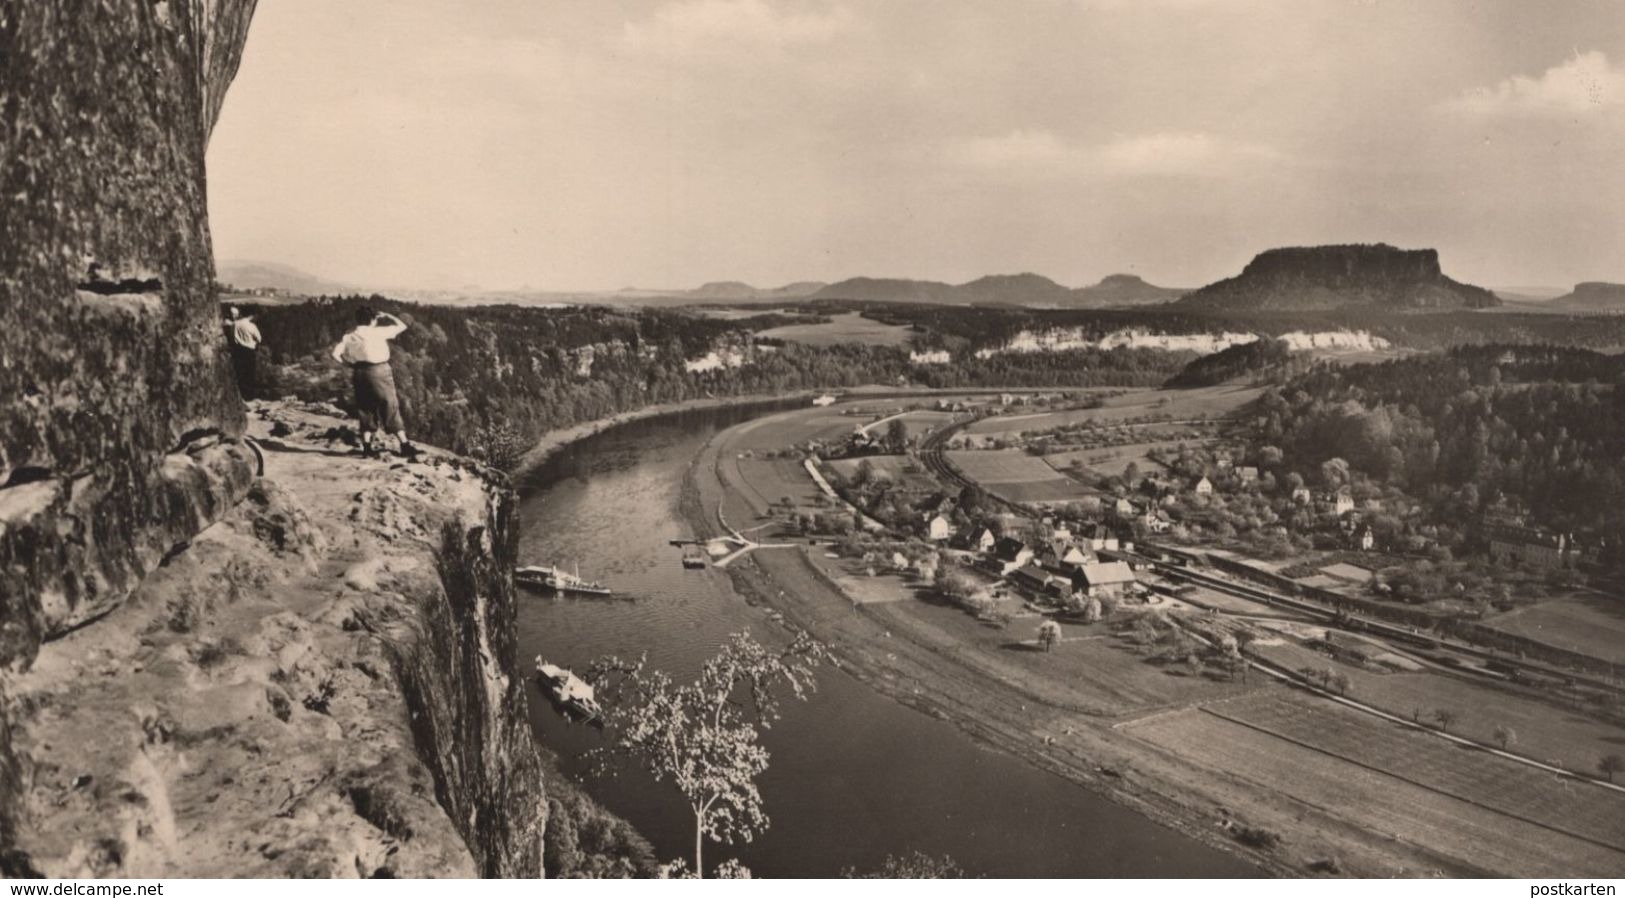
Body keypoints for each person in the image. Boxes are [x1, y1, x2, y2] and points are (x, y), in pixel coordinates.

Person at [331, 306, 418, 459]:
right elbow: (402, 326)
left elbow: (335, 354)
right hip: (379, 370)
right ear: (373, 319)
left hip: (359, 372)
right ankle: (405, 446)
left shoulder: (349, 335)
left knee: (365, 408)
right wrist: (388, 315)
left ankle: (367, 448)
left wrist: (348, 364)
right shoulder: (378, 331)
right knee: (390, 405)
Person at [223, 306, 262, 399]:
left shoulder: (234, 324)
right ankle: (249, 396)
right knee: (249, 374)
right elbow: (259, 339)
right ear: (251, 316)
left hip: (238, 350)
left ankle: (240, 395)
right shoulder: (251, 326)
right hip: (249, 350)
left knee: (240, 373)